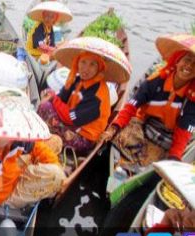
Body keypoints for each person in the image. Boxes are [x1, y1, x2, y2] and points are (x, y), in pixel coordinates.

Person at [101, 34, 195, 162]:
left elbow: (183, 131)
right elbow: (131, 107)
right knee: (122, 138)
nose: (189, 66)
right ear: (177, 61)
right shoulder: (155, 81)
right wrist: (114, 127)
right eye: (187, 60)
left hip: (167, 136)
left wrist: (175, 157)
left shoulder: (192, 97)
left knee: (162, 159)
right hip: (144, 126)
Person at [38, 51, 111, 155]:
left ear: (98, 68)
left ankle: (49, 140)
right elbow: (61, 98)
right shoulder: (77, 79)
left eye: (92, 64)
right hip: (72, 125)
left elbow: (71, 118)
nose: (86, 68)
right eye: (83, 62)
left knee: (46, 108)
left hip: (84, 137)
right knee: (45, 106)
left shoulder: (98, 94)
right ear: (77, 62)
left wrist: (53, 99)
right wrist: (50, 96)